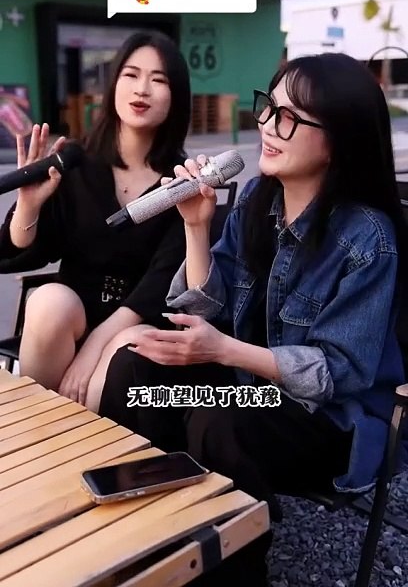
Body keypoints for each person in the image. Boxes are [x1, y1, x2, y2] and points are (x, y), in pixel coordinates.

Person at [99, 52, 408, 586]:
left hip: (326, 424)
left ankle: (229, 570)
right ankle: (142, 541)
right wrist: (196, 227)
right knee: (136, 370)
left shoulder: (368, 239)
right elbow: (207, 310)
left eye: (289, 118)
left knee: (219, 417)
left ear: (338, 140)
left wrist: (222, 350)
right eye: (269, 107)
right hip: (252, 394)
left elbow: (337, 373)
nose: (266, 124)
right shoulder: (254, 205)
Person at [0, 29, 191, 413]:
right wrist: (29, 204)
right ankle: (37, 422)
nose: (142, 89)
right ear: (113, 84)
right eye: (131, 75)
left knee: (128, 344)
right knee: (48, 301)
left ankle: (85, 442)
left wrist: (93, 349)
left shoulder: (182, 180)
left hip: (137, 324)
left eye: (158, 80)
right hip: (72, 316)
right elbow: (16, 252)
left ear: (176, 97)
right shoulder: (75, 162)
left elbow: (162, 282)